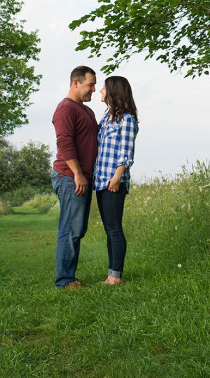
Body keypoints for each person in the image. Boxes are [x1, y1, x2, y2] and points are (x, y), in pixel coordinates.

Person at [51, 65, 98, 289]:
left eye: (95, 85)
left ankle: (69, 276)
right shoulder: (65, 109)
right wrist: (78, 173)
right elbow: (65, 142)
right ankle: (64, 280)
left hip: (83, 177)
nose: (94, 90)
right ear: (75, 83)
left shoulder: (87, 111)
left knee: (77, 229)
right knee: (71, 229)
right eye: (90, 85)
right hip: (70, 176)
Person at [93, 75, 138, 285]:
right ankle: (112, 274)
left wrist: (117, 176)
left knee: (114, 228)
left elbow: (126, 152)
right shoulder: (106, 119)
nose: (100, 91)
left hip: (113, 181)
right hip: (101, 180)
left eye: (103, 88)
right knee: (108, 228)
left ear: (113, 91)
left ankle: (115, 277)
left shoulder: (127, 119)